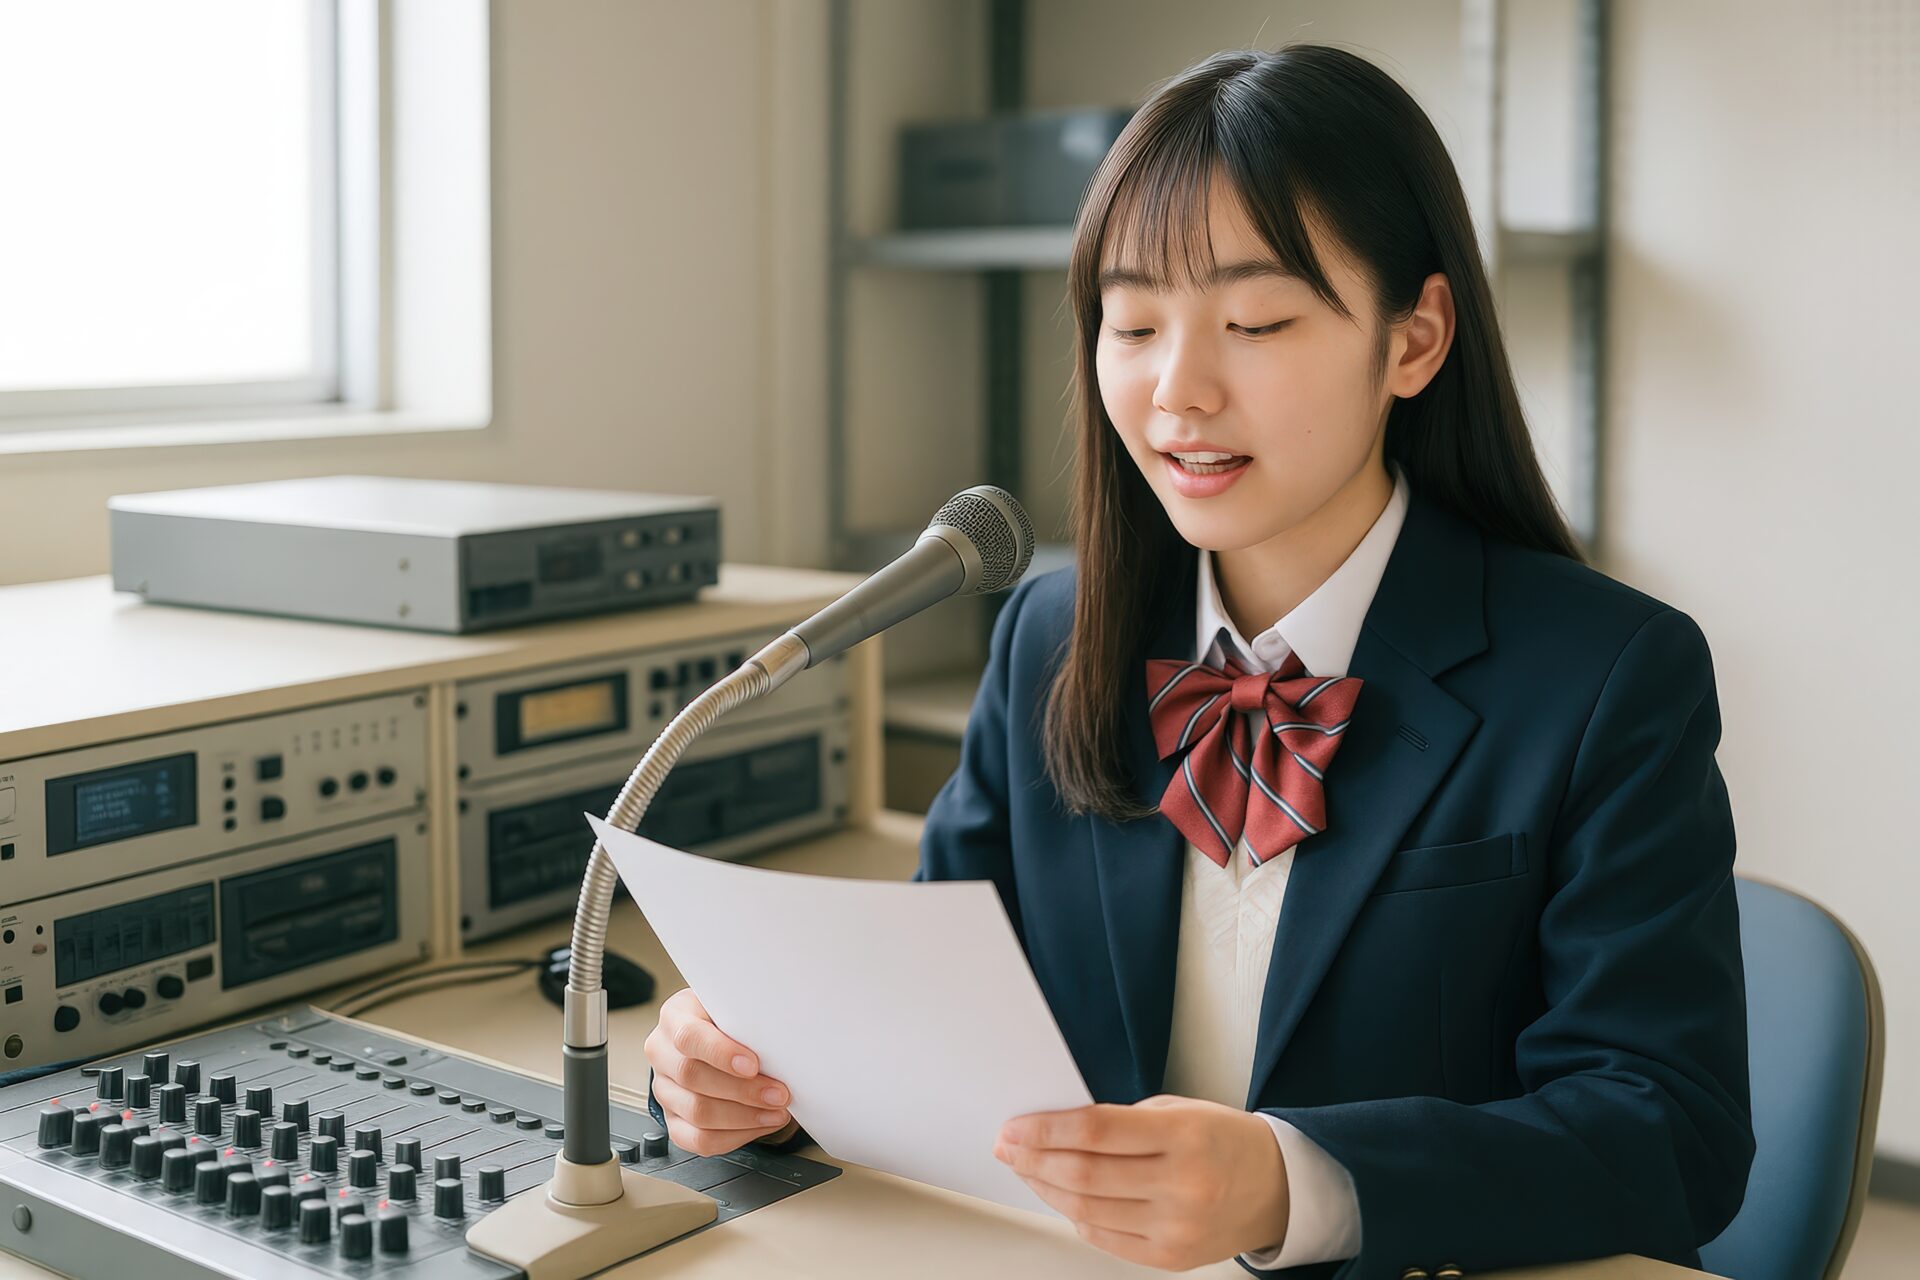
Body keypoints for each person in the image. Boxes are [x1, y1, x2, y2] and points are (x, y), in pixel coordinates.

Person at [644, 43, 1753, 1279]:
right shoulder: (1051, 642)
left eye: (1256, 320)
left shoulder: (1610, 675)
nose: (1179, 389)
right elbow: (934, 1018)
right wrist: (757, 1076)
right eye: (1133, 322)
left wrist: (1296, 1182)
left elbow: (1671, 1128)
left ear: (1414, 339)